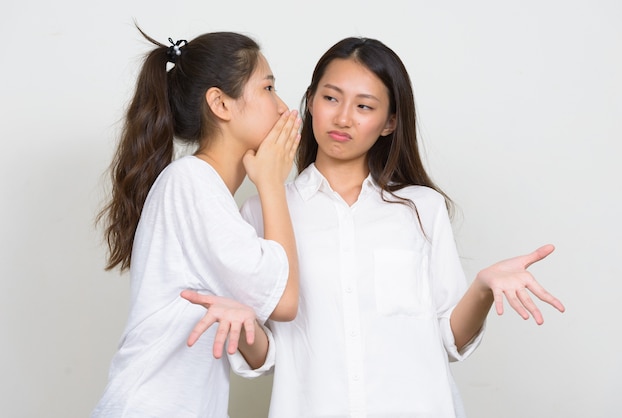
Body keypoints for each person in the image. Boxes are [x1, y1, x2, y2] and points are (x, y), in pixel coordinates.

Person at [183, 37, 565, 418]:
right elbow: (268, 356)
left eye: (364, 106)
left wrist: (482, 287)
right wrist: (244, 320)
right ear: (311, 102)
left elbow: (448, 341)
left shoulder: (422, 208)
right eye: (331, 98)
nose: (343, 117)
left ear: (389, 122)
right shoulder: (263, 211)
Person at [91, 26, 301, 418]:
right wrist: (272, 183)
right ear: (220, 104)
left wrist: (252, 331)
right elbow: (286, 302)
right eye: (268, 89)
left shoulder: (211, 197)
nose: (282, 107)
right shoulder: (190, 182)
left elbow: (263, 349)